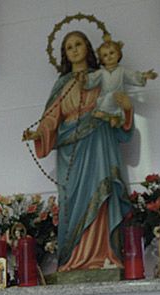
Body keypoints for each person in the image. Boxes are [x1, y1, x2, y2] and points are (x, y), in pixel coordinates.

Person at [23, 30, 133, 273]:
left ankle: (105, 255)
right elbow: (51, 118)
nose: (74, 49)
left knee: (101, 193)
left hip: (98, 141)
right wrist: (38, 133)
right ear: (64, 54)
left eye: (78, 44)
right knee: (74, 201)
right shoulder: (63, 84)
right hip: (70, 150)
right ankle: (74, 259)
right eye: (68, 47)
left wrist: (126, 111)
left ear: (87, 48)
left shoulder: (102, 77)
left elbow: (115, 110)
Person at [86, 39, 157, 128]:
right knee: (108, 98)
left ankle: (113, 117)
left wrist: (144, 76)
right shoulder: (101, 72)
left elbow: (133, 76)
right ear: (101, 60)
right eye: (105, 55)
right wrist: (83, 80)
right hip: (104, 98)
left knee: (113, 99)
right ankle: (110, 116)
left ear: (118, 54)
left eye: (111, 53)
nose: (109, 56)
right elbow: (91, 79)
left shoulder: (122, 71)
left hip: (118, 98)